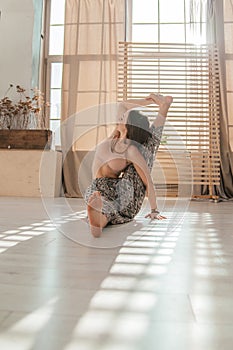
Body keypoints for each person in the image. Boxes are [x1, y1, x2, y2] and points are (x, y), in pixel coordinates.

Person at [84, 93, 173, 237]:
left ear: (129, 126)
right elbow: (123, 105)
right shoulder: (115, 135)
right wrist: (149, 101)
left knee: (148, 148)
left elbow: (147, 180)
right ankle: (95, 218)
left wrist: (154, 209)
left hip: (119, 192)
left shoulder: (131, 151)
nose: (119, 118)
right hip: (97, 188)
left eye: (122, 118)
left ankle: (98, 222)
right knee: (101, 201)